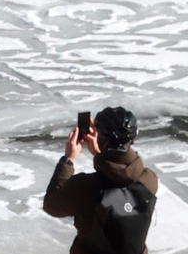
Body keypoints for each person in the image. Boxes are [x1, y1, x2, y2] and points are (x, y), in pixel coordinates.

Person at [43, 106, 158, 254]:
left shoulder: (85, 186)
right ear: (133, 138)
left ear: (100, 138)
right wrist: (99, 154)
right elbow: (120, 175)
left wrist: (68, 159)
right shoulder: (149, 180)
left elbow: (52, 205)